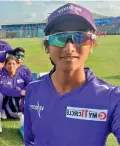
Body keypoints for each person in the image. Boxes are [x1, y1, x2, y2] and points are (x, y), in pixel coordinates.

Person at [24, 3, 120, 146]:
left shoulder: (112, 97)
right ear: (47, 46)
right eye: (59, 37)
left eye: (80, 37)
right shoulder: (33, 90)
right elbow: (30, 141)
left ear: (92, 45)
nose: (69, 48)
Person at [0, 56, 32, 133]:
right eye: (9, 64)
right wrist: (20, 92)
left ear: (17, 65)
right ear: (5, 65)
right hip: (10, 107)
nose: (11, 66)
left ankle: (25, 125)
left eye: (14, 64)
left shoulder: (22, 74)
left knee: (29, 94)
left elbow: (32, 84)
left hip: (23, 107)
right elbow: (3, 90)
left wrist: (25, 90)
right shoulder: (3, 77)